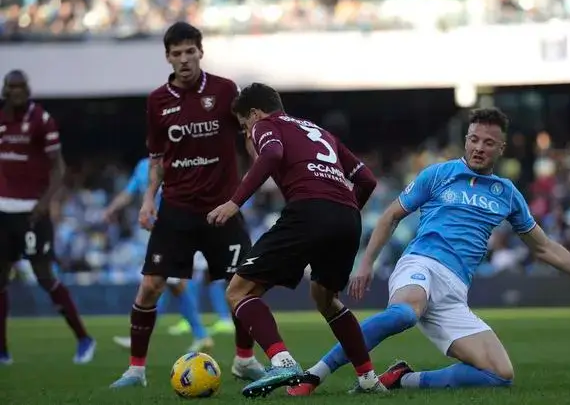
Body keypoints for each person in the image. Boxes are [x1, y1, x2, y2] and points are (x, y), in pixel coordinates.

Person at [288, 107, 570, 396]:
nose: (479, 147)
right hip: (421, 264)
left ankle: (402, 379)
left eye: (488, 142)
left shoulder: (507, 194)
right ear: (466, 140)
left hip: (455, 291)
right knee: (404, 314)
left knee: (500, 375)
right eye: (473, 139)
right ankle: (315, 375)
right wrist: (366, 263)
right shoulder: (440, 174)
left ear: (501, 149)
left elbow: (544, 247)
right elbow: (391, 215)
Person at [110, 22, 264, 388]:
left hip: (222, 208)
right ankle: (135, 370)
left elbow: (249, 135)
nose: (183, 59)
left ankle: (245, 360)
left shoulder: (226, 90)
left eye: (189, 51)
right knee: (150, 285)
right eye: (176, 53)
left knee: (244, 285)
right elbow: (157, 158)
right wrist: (148, 200)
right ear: (168, 57)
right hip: (176, 208)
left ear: (200, 52)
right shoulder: (156, 101)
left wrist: (258, 166)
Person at [206, 83, 385, 398]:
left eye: (244, 126)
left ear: (254, 113)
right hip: (347, 216)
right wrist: (341, 212)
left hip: (308, 210)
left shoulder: (266, 125)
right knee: (325, 298)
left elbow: (272, 153)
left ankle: (281, 359)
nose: (248, 133)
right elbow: (367, 179)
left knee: (237, 291)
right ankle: (368, 377)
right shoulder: (319, 131)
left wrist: (235, 202)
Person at [0, 70, 96, 365]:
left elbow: (59, 167)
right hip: (3, 211)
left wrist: (44, 202)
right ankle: (2, 351)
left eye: (20, 87)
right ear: (5, 89)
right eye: (11, 87)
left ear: (28, 89)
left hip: (32, 213)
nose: (16, 91)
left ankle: (84, 338)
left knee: (44, 277)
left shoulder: (42, 120)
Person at [104, 157, 213, 352]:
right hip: (157, 232)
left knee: (160, 282)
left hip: (174, 229)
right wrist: (112, 208)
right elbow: (130, 192)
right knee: (171, 284)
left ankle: (138, 336)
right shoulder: (142, 166)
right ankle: (200, 335)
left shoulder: (178, 161)